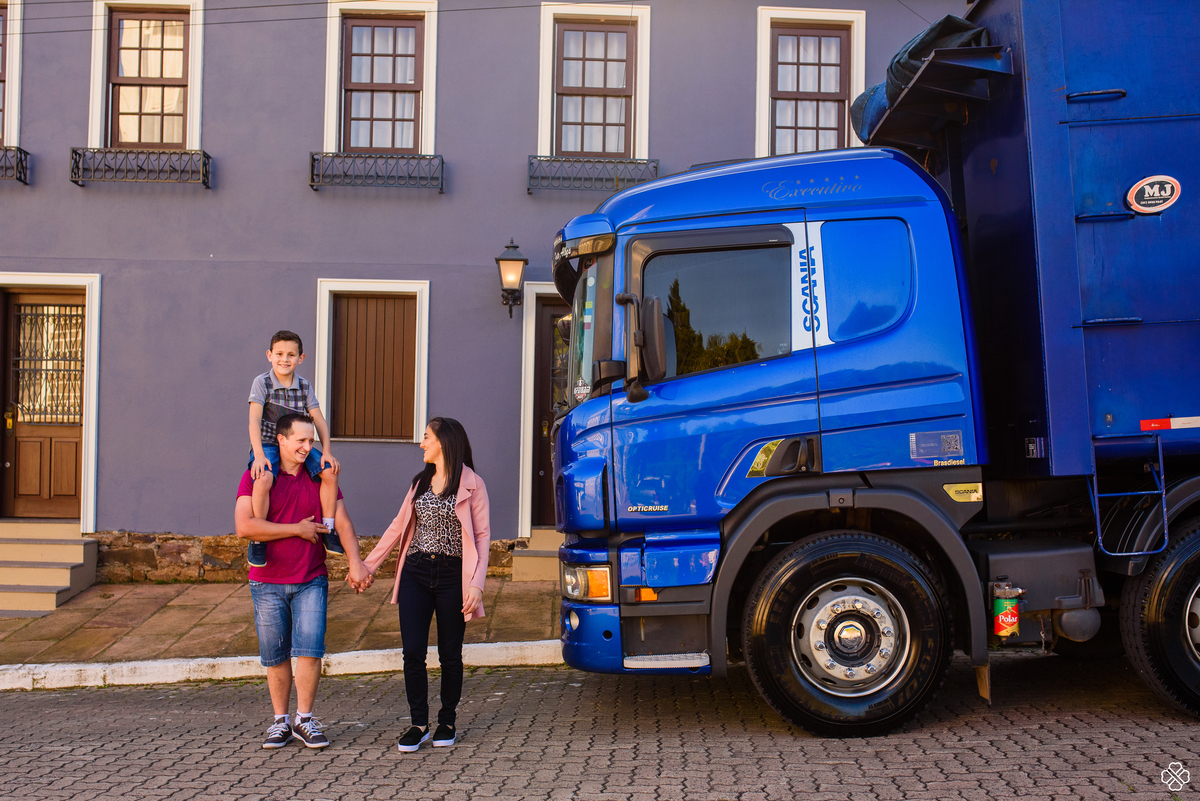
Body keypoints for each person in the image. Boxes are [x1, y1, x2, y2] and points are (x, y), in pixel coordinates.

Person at [234, 412, 371, 750]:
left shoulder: (317, 476)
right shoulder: (257, 475)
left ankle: (304, 720)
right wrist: (297, 529)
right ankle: (280, 721)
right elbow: (245, 527)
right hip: (266, 581)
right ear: (281, 440)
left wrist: (356, 562)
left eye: (311, 440)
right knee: (275, 655)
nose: (308, 447)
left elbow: (343, 522)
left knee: (310, 650)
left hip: (311, 578)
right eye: (301, 440)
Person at [361, 417, 491, 752]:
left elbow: (482, 536)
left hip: (453, 576)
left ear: (444, 441)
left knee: (450, 655)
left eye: (426, 437)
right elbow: (397, 526)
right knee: (413, 653)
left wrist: (476, 585)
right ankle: (419, 724)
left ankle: (447, 721)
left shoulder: (473, 484)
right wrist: (367, 566)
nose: (421, 443)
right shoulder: (420, 482)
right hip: (415, 573)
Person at [246, 330, 342, 568]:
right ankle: (258, 539)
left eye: (291, 354)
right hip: (268, 444)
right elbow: (254, 420)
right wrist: (259, 455)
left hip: (297, 444)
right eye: (279, 354)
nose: (285, 359)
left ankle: (328, 529)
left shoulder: (305, 386)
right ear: (269, 355)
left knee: (329, 471)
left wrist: (327, 450)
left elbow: (319, 420)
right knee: (263, 477)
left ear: (301, 358)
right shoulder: (262, 383)